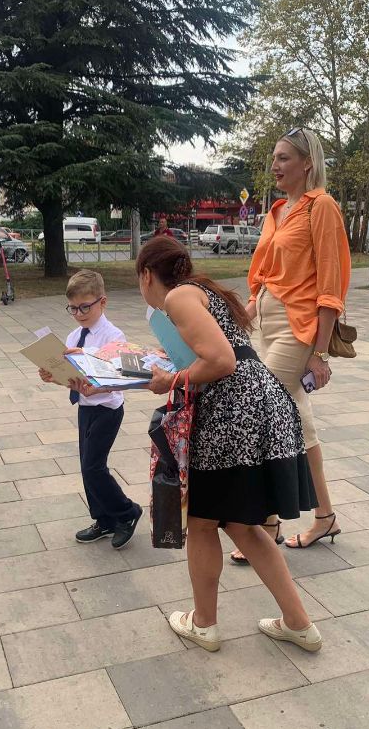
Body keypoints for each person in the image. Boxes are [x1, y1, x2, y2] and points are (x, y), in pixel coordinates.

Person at [137, 237, 322, 653]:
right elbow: (212, 352)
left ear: (147, 275)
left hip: (229, 422)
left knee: (203, 522)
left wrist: (172, 381)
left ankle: (204, 624)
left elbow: (221, 361)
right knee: (242, 525)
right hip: (257, 414)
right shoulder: (201, 290)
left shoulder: (178, 298)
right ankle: (298, 624)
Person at [231, 126, 350, 561]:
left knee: (262, 411)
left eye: (283, 158)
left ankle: (268, 521)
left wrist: (319, 352)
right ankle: (325, 517)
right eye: (274, 158)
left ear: (307, 163)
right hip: (266, 322)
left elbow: (332, 285)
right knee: (298, 420)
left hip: (297, 328)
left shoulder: (322, 207)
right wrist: (246, 311)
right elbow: (263, 273)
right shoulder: (278, 210)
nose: (275, 166)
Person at [38, 269, 142, 549]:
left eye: (85, 307)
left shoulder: (113, 335)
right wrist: (53, 376)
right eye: (73, 308)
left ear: (102, 302)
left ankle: (127, 512)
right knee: (87, 467)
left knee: (94, 467)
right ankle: (104, 519)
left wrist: (87, 359)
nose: (79, 314)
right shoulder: (73, 336)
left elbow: (120, 375)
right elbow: (73, 378)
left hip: (108, 409)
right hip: (85, 407)